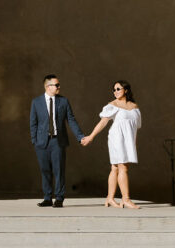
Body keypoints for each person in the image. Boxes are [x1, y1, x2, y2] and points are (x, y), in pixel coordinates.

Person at [81, 79, 141, 208]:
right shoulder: (112, 105)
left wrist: (132, 142)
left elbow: (136, 126)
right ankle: (126, 199)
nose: (115, 92)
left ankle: (109, 198)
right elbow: (103, 122)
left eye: (118, 89)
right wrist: (91, 136)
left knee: (115, 168)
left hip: (128, 140)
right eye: (114, 89)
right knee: (123, 167)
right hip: (116, 139)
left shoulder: (134, 107)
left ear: (126, 90)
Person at [29, 74, 86, 207]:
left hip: (58, 141)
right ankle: (47, 198)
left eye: (58, 84)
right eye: (56, 85)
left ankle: (59, 198)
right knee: (45, 170)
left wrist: (80, 136)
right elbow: (33, 123)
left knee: (59, 170)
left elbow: (71, 120)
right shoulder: (36, 102)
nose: (59, 87)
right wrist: (34, 141)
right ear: (47, 86)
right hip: (42, 142)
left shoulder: (63, 101)